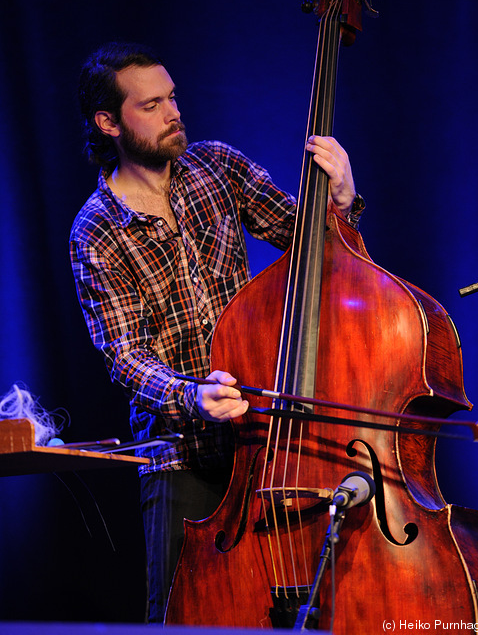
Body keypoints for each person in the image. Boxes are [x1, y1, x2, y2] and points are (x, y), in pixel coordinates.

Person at [69, 41, 363, 623]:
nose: (172, 112)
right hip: (183, 455)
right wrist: (191, 394)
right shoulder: (95, 229)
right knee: (185, 614)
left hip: (269, 439)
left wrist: (343, 200)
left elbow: (317, 249)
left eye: (172, 97)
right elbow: (124, 356)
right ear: (108, 123)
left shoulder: (216, 168)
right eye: (150, 105)